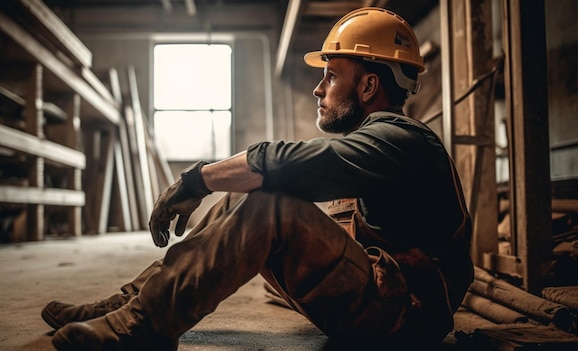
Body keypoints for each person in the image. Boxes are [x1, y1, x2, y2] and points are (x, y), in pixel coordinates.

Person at [44, 7, 474, 350]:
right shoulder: (378, 144)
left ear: (368, 86)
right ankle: (133, 305)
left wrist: (197, 181)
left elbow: (286, 160)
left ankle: (142, 328)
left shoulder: (401, 140)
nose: (318, 89)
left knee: (270, 201)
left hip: (407, 319)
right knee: (249, 194)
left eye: (331, 75)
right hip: (380, 302)